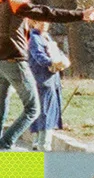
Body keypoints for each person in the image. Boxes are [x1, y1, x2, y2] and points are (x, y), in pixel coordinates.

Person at [0, 0, 94, 150]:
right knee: (32, 109)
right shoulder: (14, 3)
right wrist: (80, 14)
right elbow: (47, 13)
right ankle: (3, 145)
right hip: (15, 63)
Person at [24, 19, 69, 150]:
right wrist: (54, 62)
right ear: (33, 23)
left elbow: (56, 52)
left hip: (51, 79)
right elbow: (40, 57)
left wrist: (63, 60)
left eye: (46, 21)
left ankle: (37, 143)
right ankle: (44, 145)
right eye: (40, 21)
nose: (44, 24)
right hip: (42, 80)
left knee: (45, 111)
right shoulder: (34, 38)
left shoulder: (46, 36)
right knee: (46, 112)